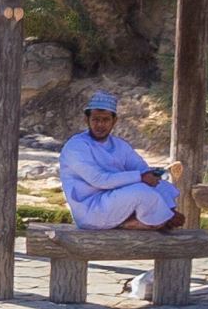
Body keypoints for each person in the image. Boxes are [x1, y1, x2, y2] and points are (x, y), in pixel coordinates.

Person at [60, 89, 184, 229]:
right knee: (140, 191)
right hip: (90, 210)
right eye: (95, 119)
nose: (100, 125)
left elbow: (142, 170)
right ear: (86, 120)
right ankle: (155, 221)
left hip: (114, 201)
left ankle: (159, 218)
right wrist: (141, 177)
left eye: (105, 120)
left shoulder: (120, 146)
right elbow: (99, 180)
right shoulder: (76, 146)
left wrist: (169, 207)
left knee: (161, 185)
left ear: (114, 121)